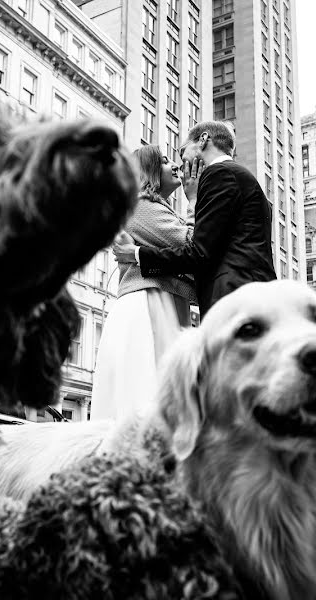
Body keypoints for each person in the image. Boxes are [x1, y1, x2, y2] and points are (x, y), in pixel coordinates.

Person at [113, 121, 277, 317]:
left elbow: (197, 252)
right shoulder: (240, 178)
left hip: (234, 294)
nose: (180, 161)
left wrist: (137, 254)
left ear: (203, 139)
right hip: (242, 294)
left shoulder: (220, 173)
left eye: (182, 150)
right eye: (166, 160)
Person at [90, 145, 197, 423]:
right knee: (151, 403)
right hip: (149, 305)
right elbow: (193, 246)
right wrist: (195, 199)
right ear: (148, 171)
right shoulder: (142, 207)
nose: (174, 165)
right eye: (163, 161)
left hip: (158, 303)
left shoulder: (152, 209)